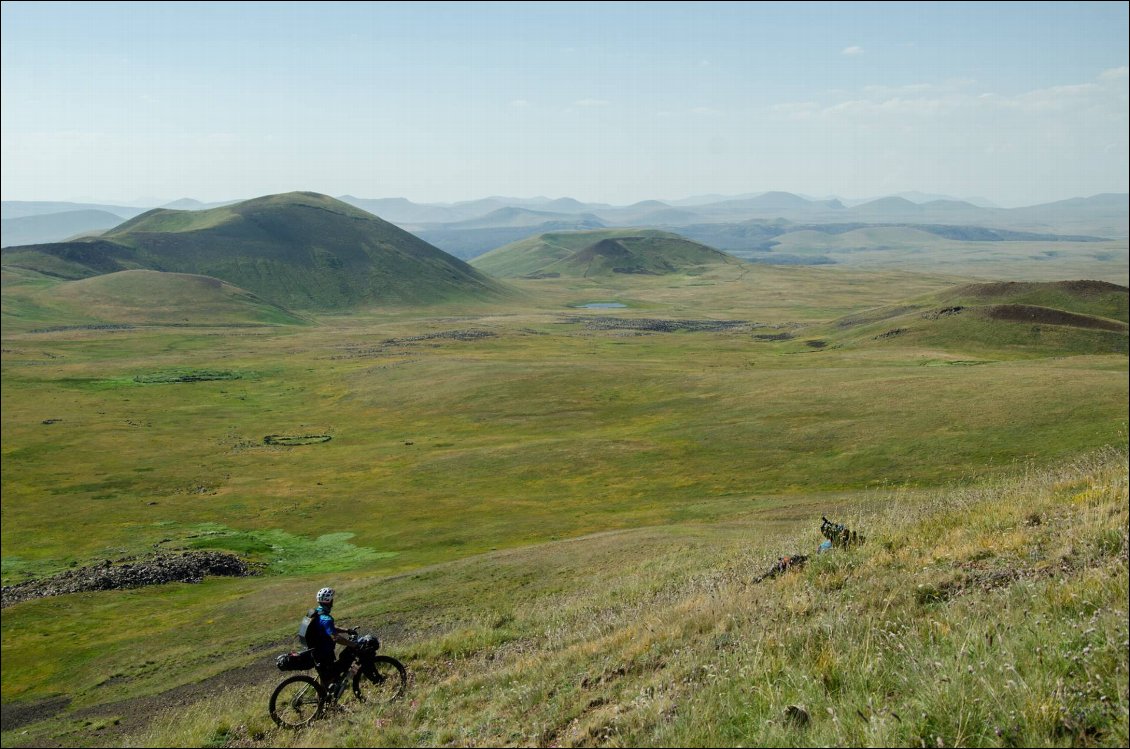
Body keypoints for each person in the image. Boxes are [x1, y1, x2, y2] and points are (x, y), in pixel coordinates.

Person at [300, 587, 357, 695]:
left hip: (315, 651)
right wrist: (352, 644)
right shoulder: (326, 618)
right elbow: (335, 637)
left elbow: (328, 628)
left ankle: (324, 703)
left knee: (325, 681)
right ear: (330, 601)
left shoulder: (317, 613)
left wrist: (346, 630)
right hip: (323, 654)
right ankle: (326, 705)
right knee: (330, 679)